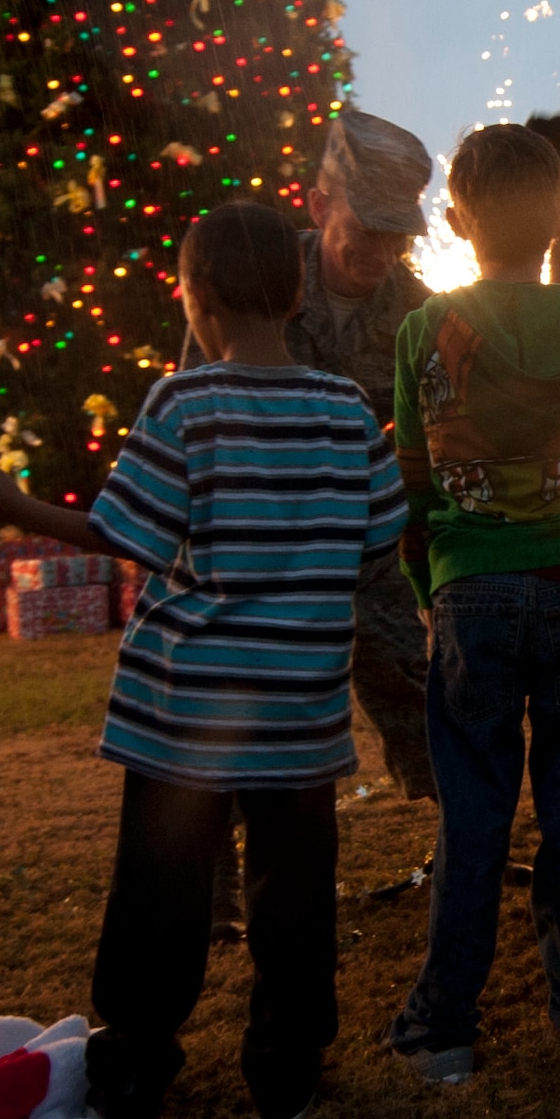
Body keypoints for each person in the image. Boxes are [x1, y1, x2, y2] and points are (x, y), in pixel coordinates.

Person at [0, 203, 407, 1119]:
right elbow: (379, 537)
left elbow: (126, 534)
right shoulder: (347, 410)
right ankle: (285, 1075)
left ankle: (134, 1081)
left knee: (162, 896)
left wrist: (14, 504)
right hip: (299, 714)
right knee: (295, 900)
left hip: (182, 710)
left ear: (195, 300)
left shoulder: (184, 402)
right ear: (292, 292)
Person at [385, 124, 560, 1082]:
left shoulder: (426, 331)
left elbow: (411, 488)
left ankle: (445, 1028)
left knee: (473, 815)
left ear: (456, 221)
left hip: (471, 594)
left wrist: (431, 585)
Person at [181, 108, 436, 805]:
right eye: (368, 229)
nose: (383, 252)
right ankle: (218, 895)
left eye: (397, 235)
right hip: (252, 537)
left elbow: (426, 441)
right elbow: (200, 404)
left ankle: (461, 843)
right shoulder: (252, 275)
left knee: (412, 685)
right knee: (230, 714)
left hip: (359, 531)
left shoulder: (419, 312)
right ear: (320, 206)